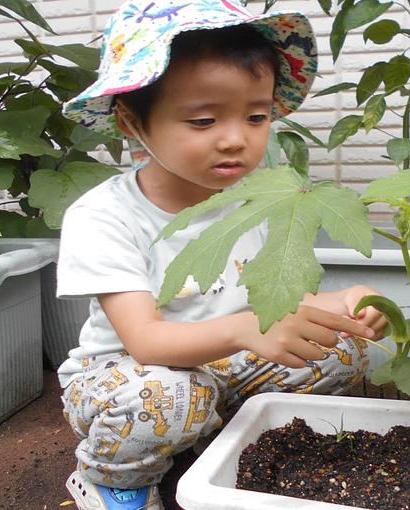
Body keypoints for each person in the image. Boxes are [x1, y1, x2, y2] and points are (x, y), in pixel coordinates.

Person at [57, 1, 387, 509]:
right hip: (129, 379)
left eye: (257, 116)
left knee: (341, 350)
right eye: (204, 119)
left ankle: (224, 438)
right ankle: (113, 479)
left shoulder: (263, 198)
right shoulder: (104, 215)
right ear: (131, 121)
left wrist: (345, 301)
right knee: (169, 400)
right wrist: (242, 329)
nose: (236, 139)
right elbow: (145, 341)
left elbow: (283, 303)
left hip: (229, 363)